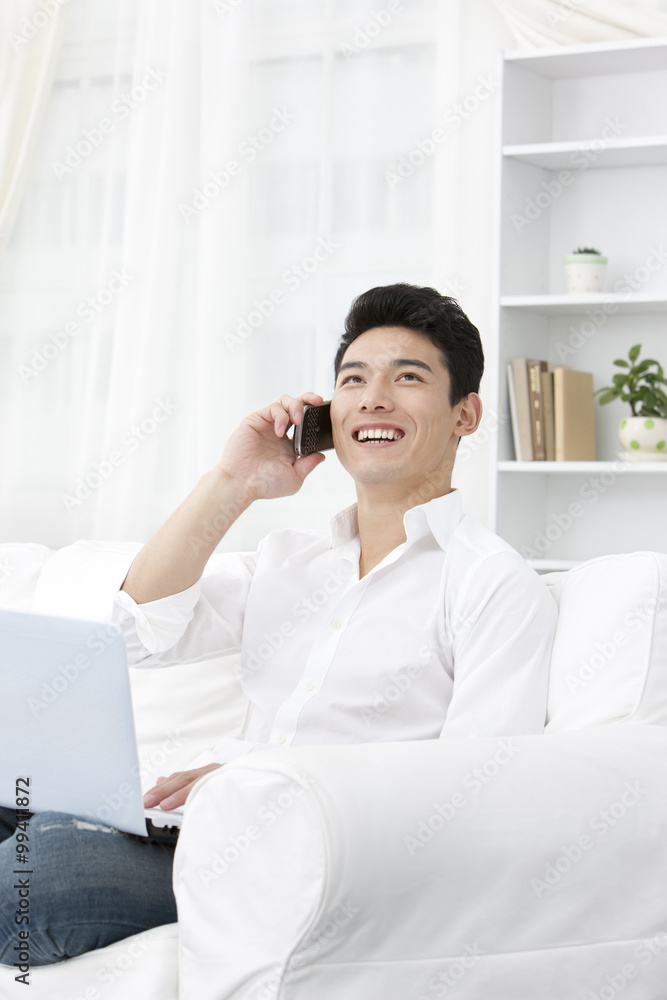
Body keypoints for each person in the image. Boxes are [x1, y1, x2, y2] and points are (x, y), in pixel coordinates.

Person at [0, 283, 557, 968]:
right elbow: (142, 629)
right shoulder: (290, 559)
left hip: (291, 862)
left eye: (406, 378)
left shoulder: (489, 582)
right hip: (188, 826)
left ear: (464, 414)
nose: (373, 398)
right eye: (353, 380)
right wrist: (233, 482)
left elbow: (474, 792)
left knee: (31, 877)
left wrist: (255, 774)